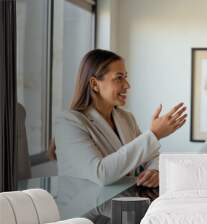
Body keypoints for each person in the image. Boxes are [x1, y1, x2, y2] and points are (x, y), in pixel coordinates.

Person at [55, 49, 187, 188]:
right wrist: (154, 134)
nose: (127, 85)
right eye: (119, 78)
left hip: (125, 202)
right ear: (95, 84)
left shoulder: (126, 118)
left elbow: (151, 156)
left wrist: (154, 171)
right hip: (87, 207)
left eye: (125, 77)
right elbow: (101, 173)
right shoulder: (68, 122)